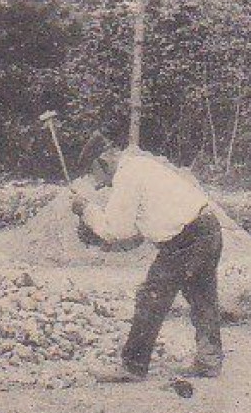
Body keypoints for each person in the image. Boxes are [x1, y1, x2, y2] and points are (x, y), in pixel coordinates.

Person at [70, 132, 224, 382]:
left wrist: (86, 211)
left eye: (92, 173)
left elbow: (117, 230)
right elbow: (135, 234)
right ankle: (209, 360)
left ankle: (133, 366)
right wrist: (102, 237)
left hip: (184, 240)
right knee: (202, 296)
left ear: (103, 161)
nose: (98, 182)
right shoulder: (141, 167)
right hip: (207, 229)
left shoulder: (126, 177)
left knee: (151, 297)